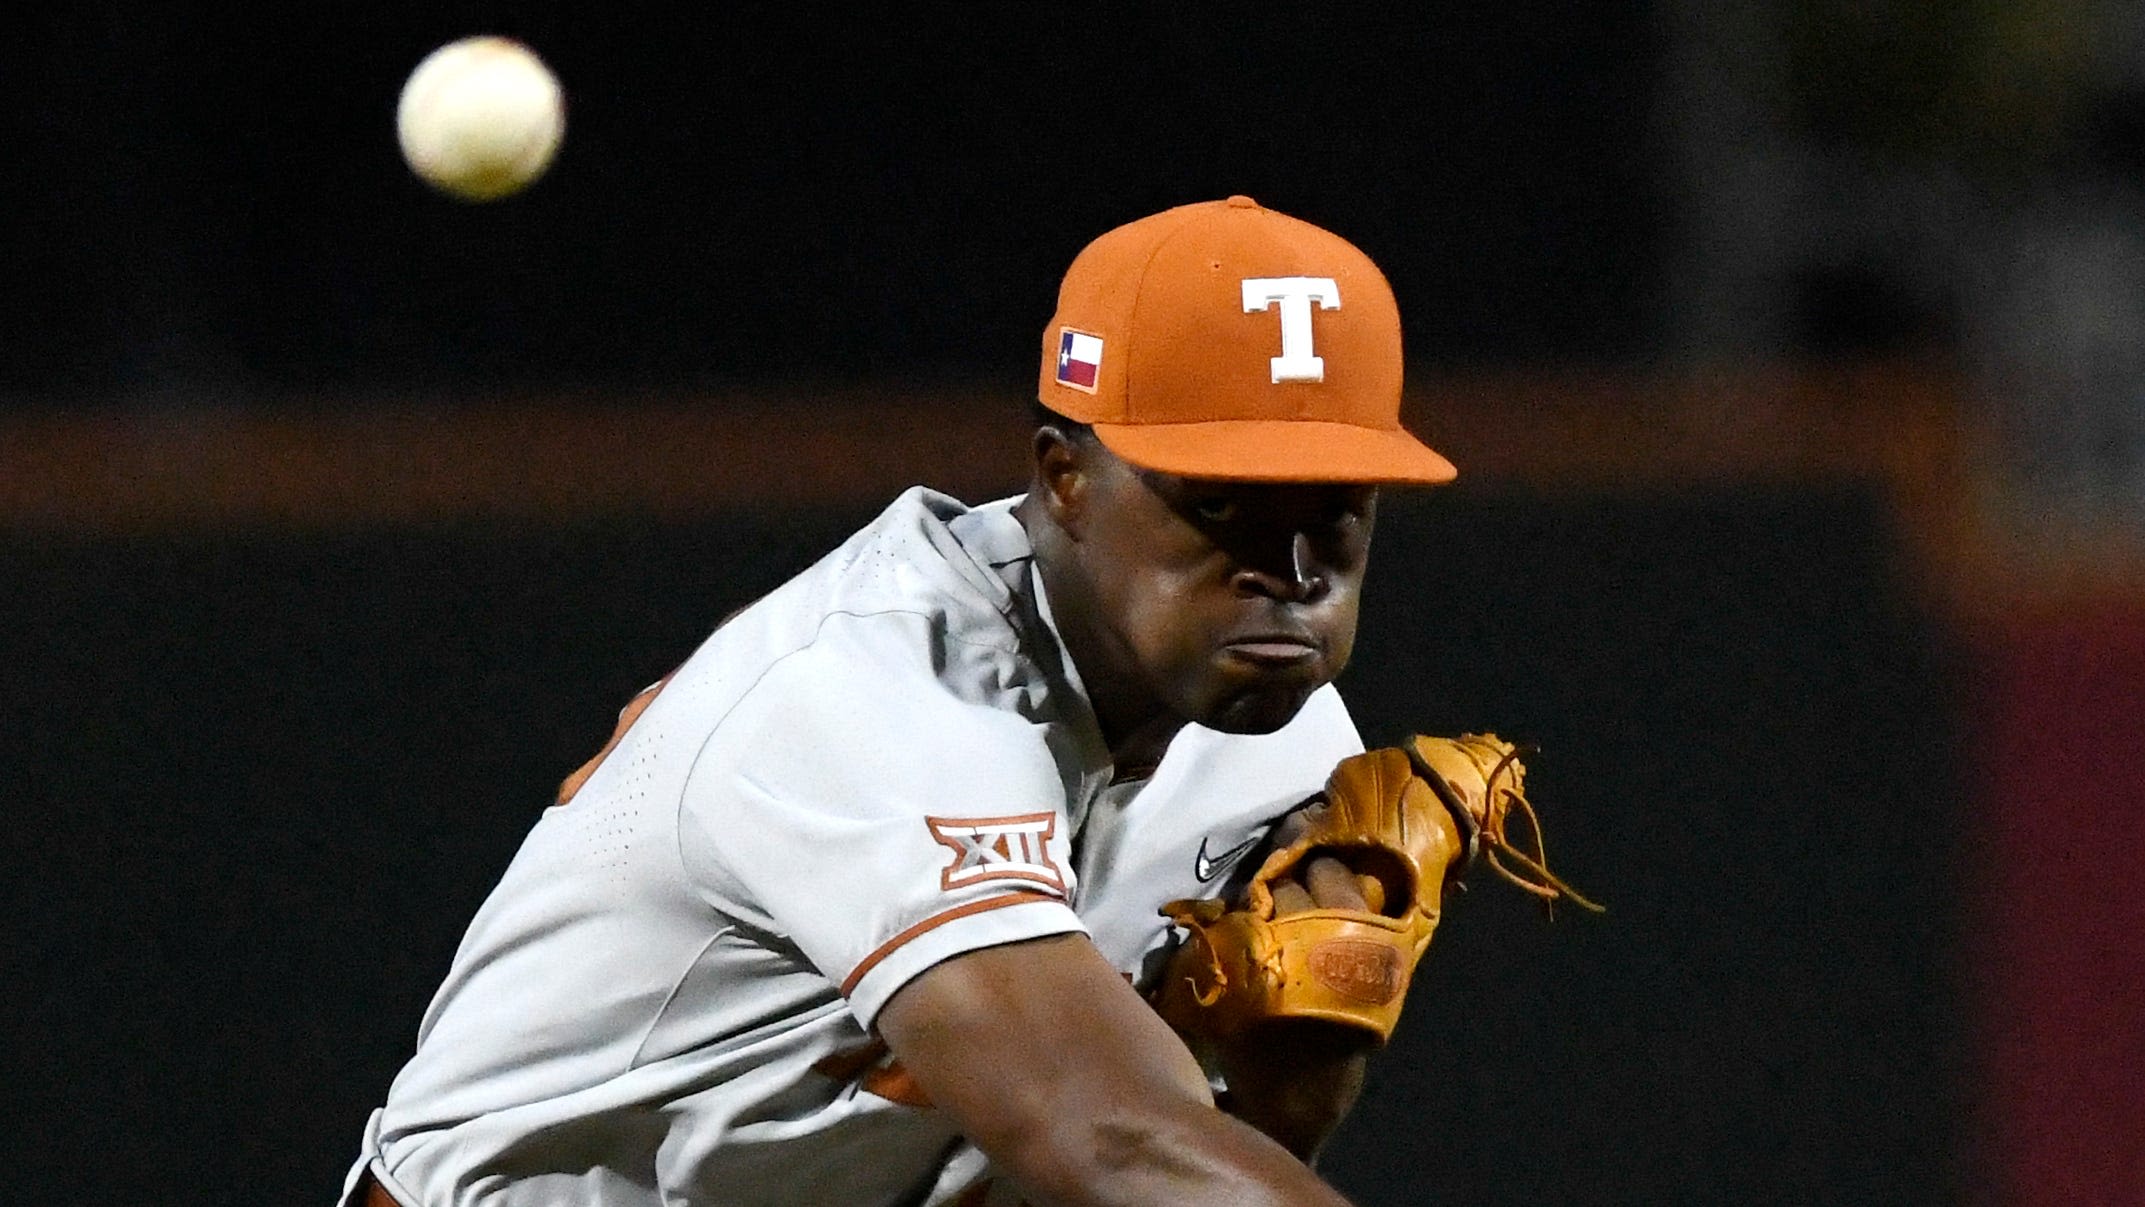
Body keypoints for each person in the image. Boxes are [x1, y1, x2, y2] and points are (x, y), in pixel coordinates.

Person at [340, 194, 1459, 1207]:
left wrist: (1291, 1094)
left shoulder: (1278, 736)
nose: (1293, 570)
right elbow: (1110, 1141)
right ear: (1065, 479)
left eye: (1336, 510)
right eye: (1224, 509)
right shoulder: (878, 695)